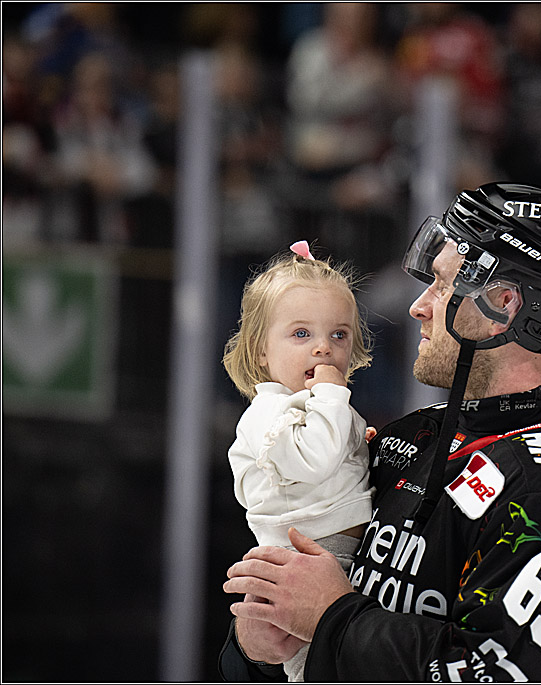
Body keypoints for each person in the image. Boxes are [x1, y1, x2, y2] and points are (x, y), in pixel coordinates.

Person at [219, 182, 541, 681]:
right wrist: (255, 653)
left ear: (503, 305)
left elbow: (495, 673)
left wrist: (332, 617)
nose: (419, 306)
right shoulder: (412, 440)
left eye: (444, 286)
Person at [221, 240, 375, 681]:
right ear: (260, 349)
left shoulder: (318, 407)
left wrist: (358, 450)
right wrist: (332, 401)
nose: (323, 348)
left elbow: (327, 460)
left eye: (338, 335)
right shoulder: (269, 412)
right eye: (301, 334)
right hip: (306, 559)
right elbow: (314, 461)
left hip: (342, 556)